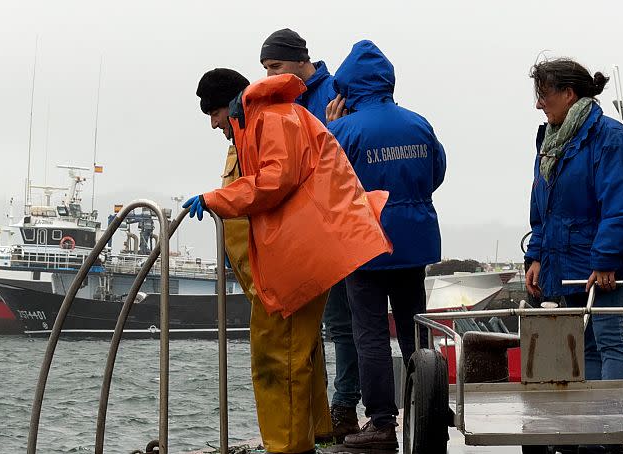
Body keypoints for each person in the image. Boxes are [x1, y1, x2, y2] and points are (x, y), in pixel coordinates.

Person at [191, 68, 392, 453]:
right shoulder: (271, 119)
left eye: (213, 114)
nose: (214, 124)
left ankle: (287, 446)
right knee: (299, 347)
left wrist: (214, 198)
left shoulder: (270, 119)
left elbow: (274, 181)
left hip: (302, 253)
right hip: (305, 249)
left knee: (275, 352)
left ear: (226, 107)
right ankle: (312, 430)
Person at [325, 40, 446, 450]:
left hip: (366, 243)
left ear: (347, 88)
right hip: (414, 240)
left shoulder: (343, 129)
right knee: (417, 327)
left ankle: (381, 422)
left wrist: (328, 127)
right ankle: (431, 407)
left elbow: (325, 183)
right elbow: (437, 171)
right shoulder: (418, 124)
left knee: (371, 335)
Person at [259, 27, 360, 441]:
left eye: (276, 66)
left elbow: (343, 161)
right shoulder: (281, 100)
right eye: (265, 68)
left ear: (302, 60)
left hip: (332, 229)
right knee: (313, 330)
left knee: (342, 324)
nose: (269, 75)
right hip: (300, 233)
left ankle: (344, 406)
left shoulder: (336, 94)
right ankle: (317, 416)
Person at [525, 58, 623, 454]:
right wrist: (536, 255)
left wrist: (606, 260)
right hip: (564, 265)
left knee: (610, 344)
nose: (538, 105)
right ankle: (587, 438)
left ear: (569, 94)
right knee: (582, 350)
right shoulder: (551, 141)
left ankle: (608, 437)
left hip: (601, 267)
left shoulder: (609, 138)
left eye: (544, 95)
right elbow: (542, 209)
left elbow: (618, 205)